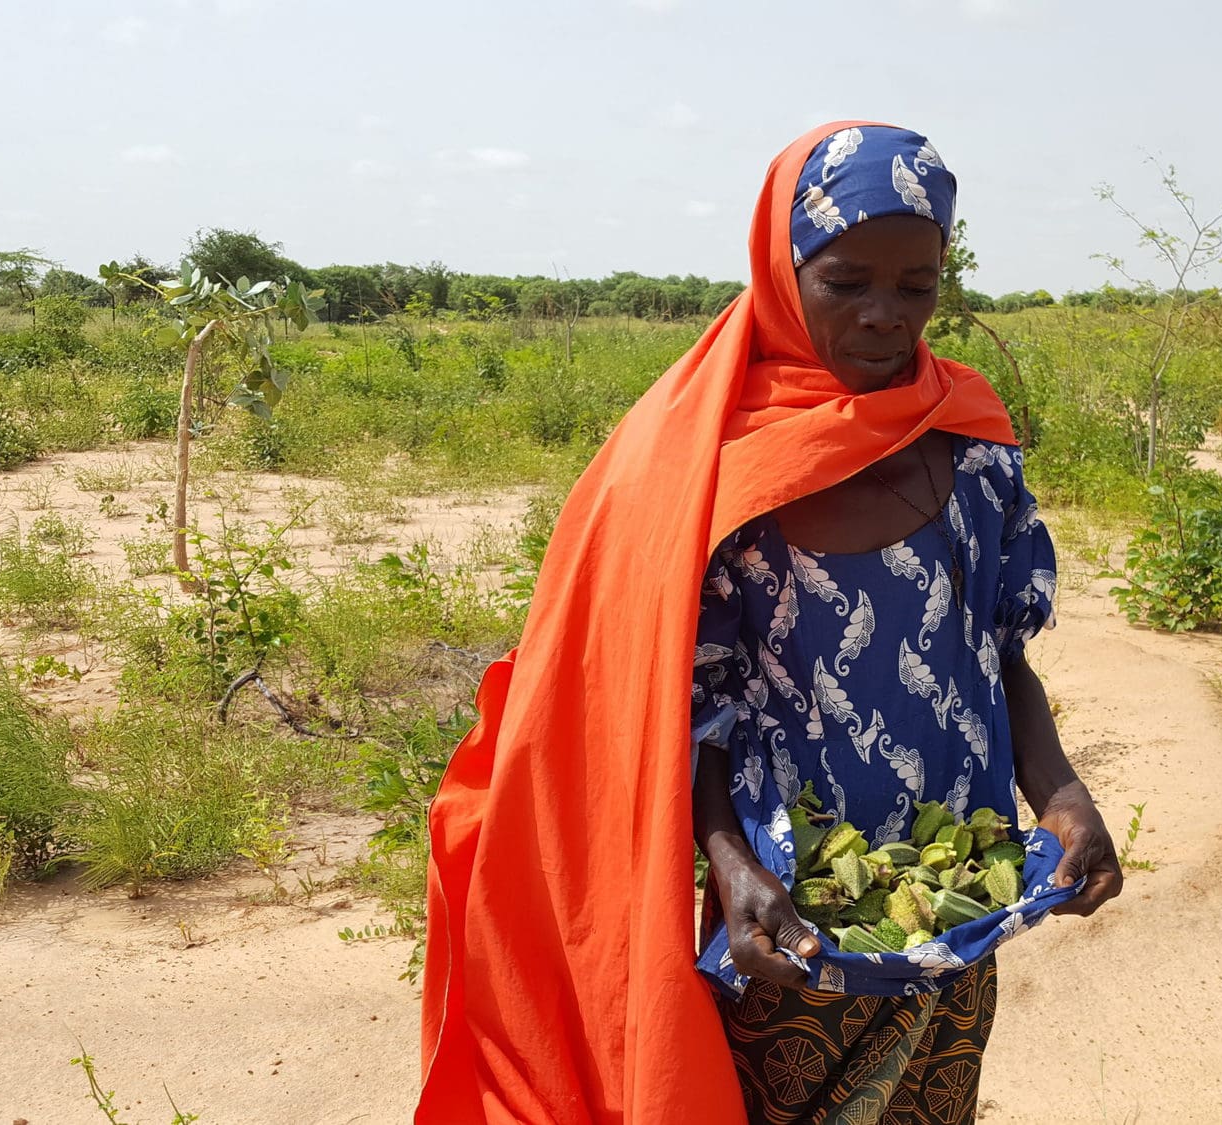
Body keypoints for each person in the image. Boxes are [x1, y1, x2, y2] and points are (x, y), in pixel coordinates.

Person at [415, 121, 1121, 1125]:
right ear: (786, 271)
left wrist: (1061, 796)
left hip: (960, 888)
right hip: (793, 911)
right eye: (847, 281)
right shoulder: (716, 465)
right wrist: (732, 864)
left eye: (915, 286)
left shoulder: (969, 444)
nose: (885, 315)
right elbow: (686, 707)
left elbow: (999, 656)